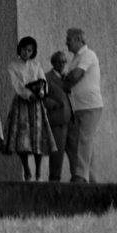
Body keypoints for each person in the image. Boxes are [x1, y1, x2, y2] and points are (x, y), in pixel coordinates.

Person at [2, 36, 55, 181]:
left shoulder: (36, 64)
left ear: (33, 52)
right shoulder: (12, 65)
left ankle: (38, 173)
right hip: (22, 103)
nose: (26, 53)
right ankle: (27, 171)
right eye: (24, 49)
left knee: (38, 135)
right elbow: (17, 84)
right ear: (19, 49)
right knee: (22, 137)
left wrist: (41, 93)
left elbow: (43, 81)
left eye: (29, 50)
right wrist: (28, 94)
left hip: (36, 104)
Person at [62, 27, 103, 182]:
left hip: (90, 105)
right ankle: (91, 179)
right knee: (83, 140)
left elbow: (75, 76)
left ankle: (80, 176)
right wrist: (69, 79)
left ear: (79, 40)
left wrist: (68, 79)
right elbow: (70, 79)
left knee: (84, 139)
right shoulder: (75, 59)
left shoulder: (88, 55)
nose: (66, 43)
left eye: (69, 39)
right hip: (79, 106)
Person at [44, 51, 73, 181]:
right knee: (57, 153)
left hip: (71, 119)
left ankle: (78, 178)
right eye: (59, 62)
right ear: (53, 62)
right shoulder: (46, 77)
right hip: (57, 119)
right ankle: (54, 180)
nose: (61, 64)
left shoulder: (66, 78)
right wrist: (52, 104)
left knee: (75, 151)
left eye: (64, 62)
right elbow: (40, 97)